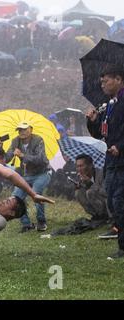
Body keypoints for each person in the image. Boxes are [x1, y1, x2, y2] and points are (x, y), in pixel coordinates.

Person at [86, 65, 124, 258]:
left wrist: (120, 145)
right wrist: (92, 121)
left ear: (118, 79)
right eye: (101, 80)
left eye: (106, 80)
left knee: (119, 201)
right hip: (112, 161)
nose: (103, 83)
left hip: (122, 159)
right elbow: (101, 134)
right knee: (112, 199)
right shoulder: (110, 104)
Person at [0, 122, 51, 233]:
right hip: (26, 175)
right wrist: (0, 149)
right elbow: (7, 159)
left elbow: (40, 159)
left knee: (36, 193)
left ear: (31, 129)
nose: (21, 132)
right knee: (16, 197)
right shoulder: (15, 141)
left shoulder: (38, 140)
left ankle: (41, 221)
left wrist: (22, 156)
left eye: (24, 129)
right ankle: (26, 224)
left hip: (42, 172)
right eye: (19, 130)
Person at [74, 154, 110, 223]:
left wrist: (91, 184)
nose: (79, 169)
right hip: (97, 206)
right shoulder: (81, 176)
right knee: (78, 193)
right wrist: (79, 186)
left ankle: (106, 216)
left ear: (90, 165)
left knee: (90, 192)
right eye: (77, 166)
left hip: (107, 204)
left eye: (81, 166)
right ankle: (96, 216)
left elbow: (106, 193)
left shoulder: (102, 174)